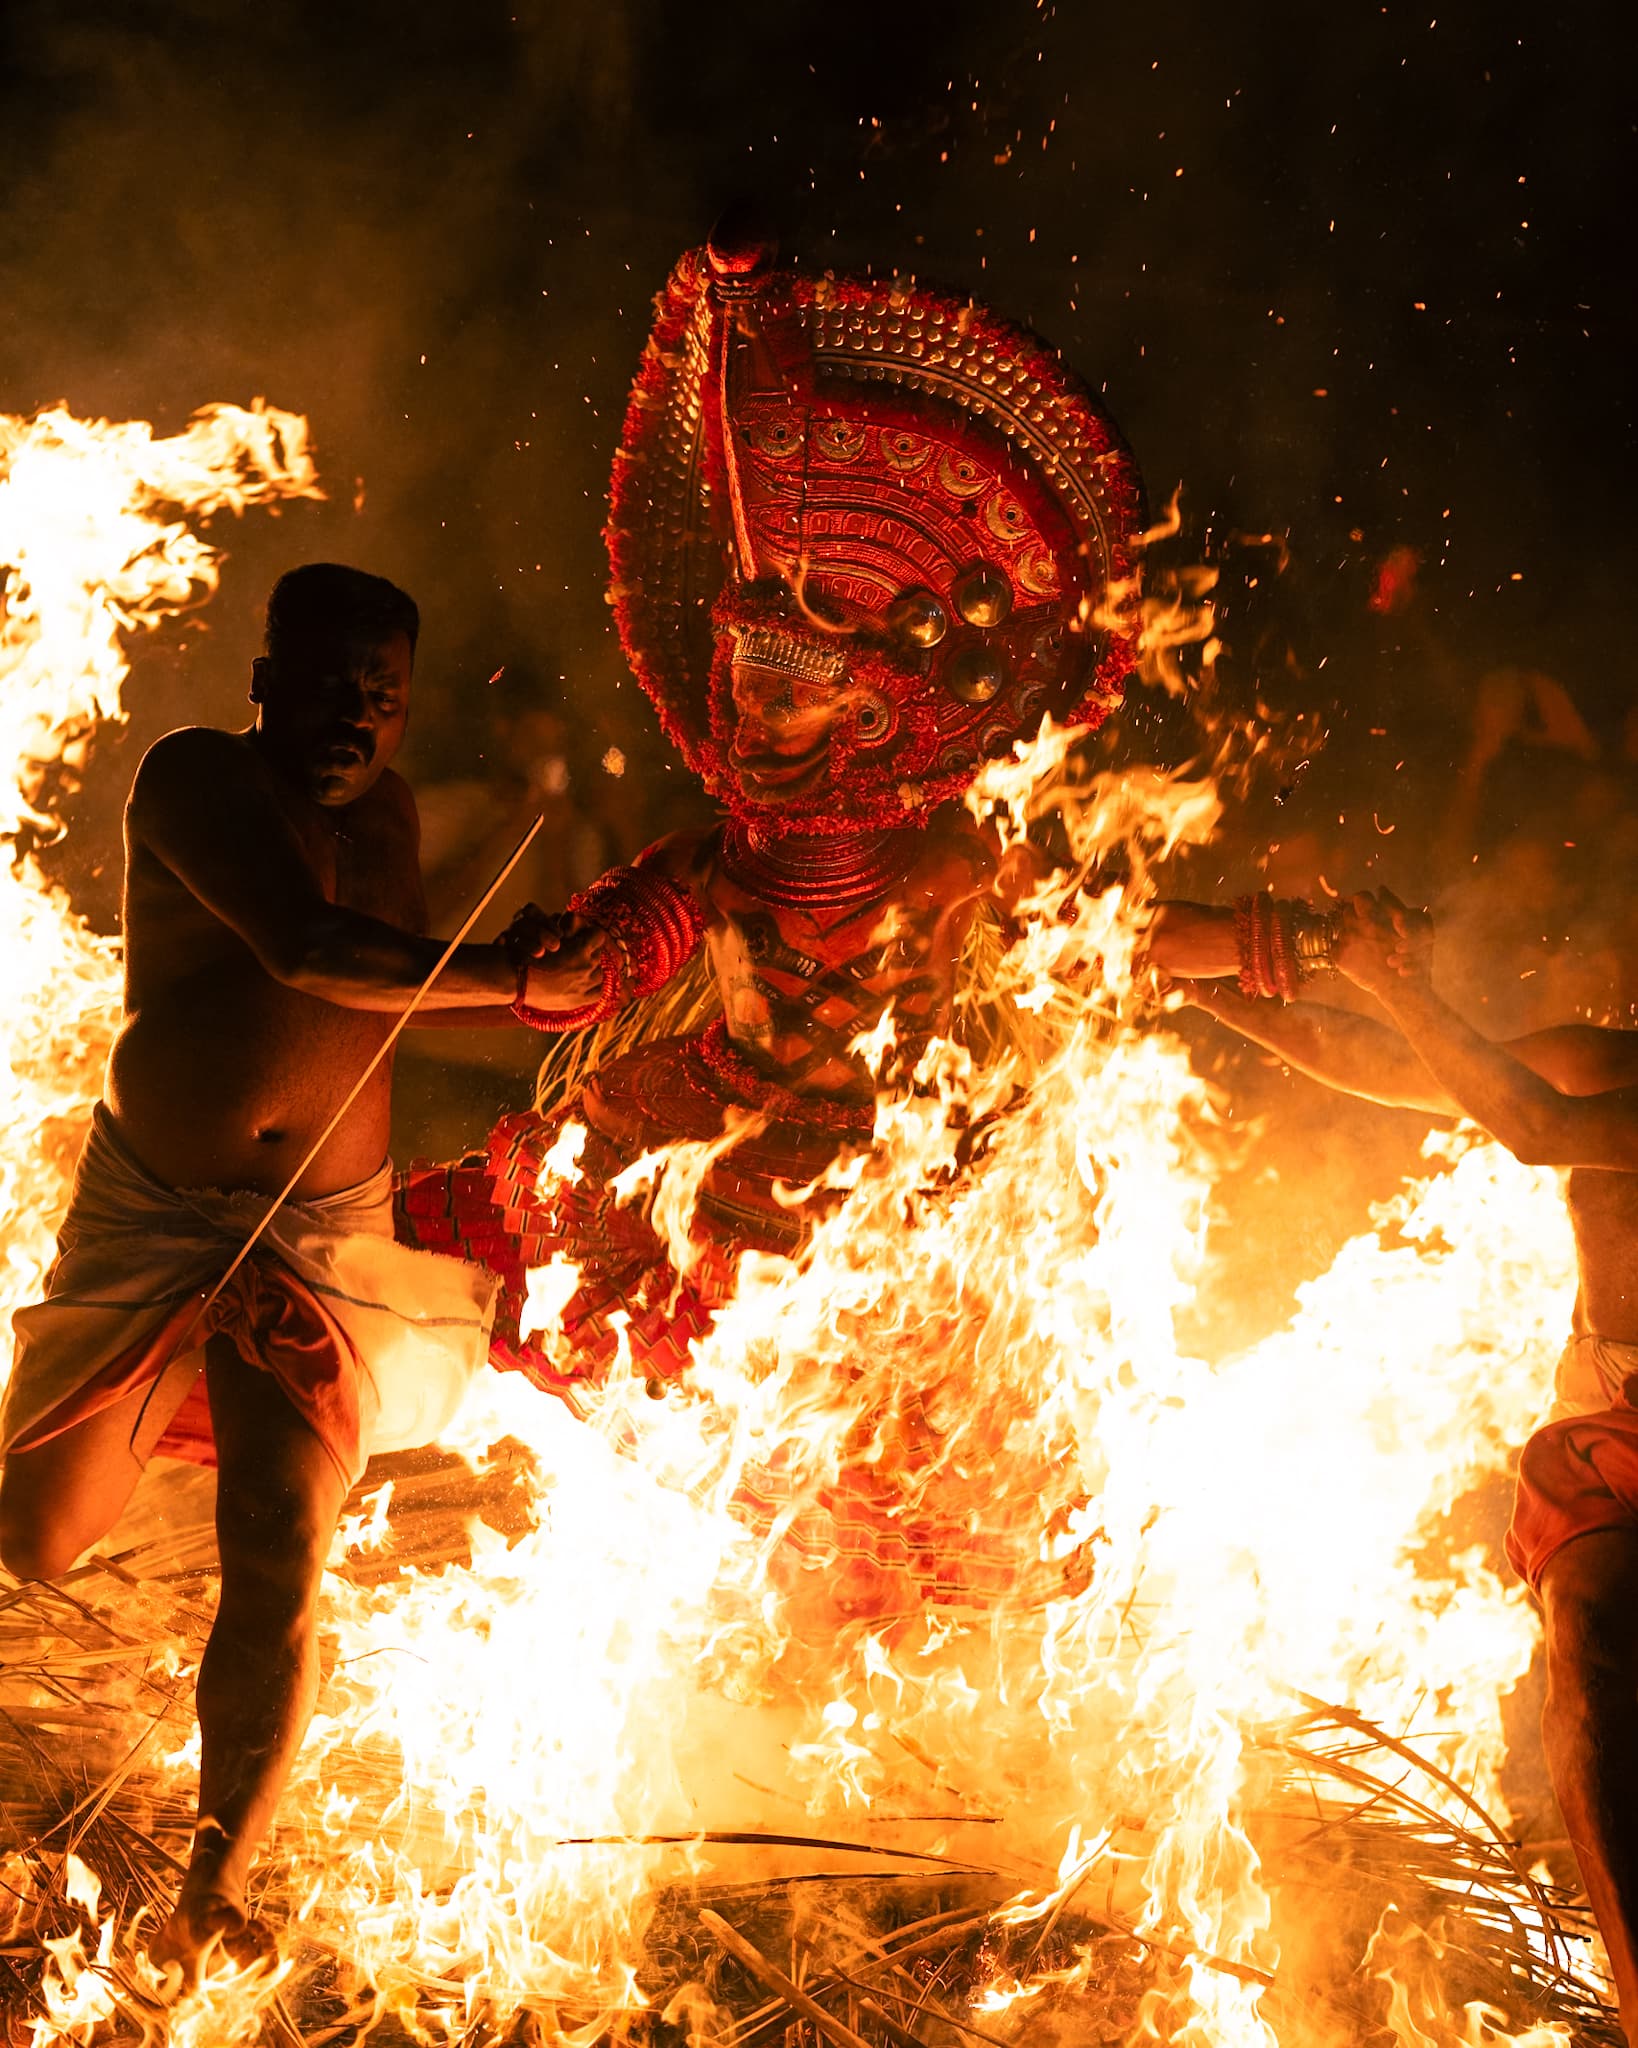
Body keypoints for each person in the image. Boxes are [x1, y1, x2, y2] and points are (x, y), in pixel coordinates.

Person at [0, 563, 600, 1985]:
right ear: (264, 682)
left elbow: (396, 984)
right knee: (33, 1541)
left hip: (320, 1234)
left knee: (277, 1553)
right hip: (157, 1209)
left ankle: (216, 1880)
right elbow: (310, 949)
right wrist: (510, 982)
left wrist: (564, 971)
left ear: (403, 713)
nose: (350, 720)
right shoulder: (196, 779)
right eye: (324, 687)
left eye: (378, 698)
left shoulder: (392, 815)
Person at [1165, 887, 1638, 2046]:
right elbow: (1394, 1065)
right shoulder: (1602, 1057)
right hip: (1615, 1429)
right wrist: (1202, 984)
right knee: (1588, 1635)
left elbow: (1531, 1127)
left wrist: (1402, 979)